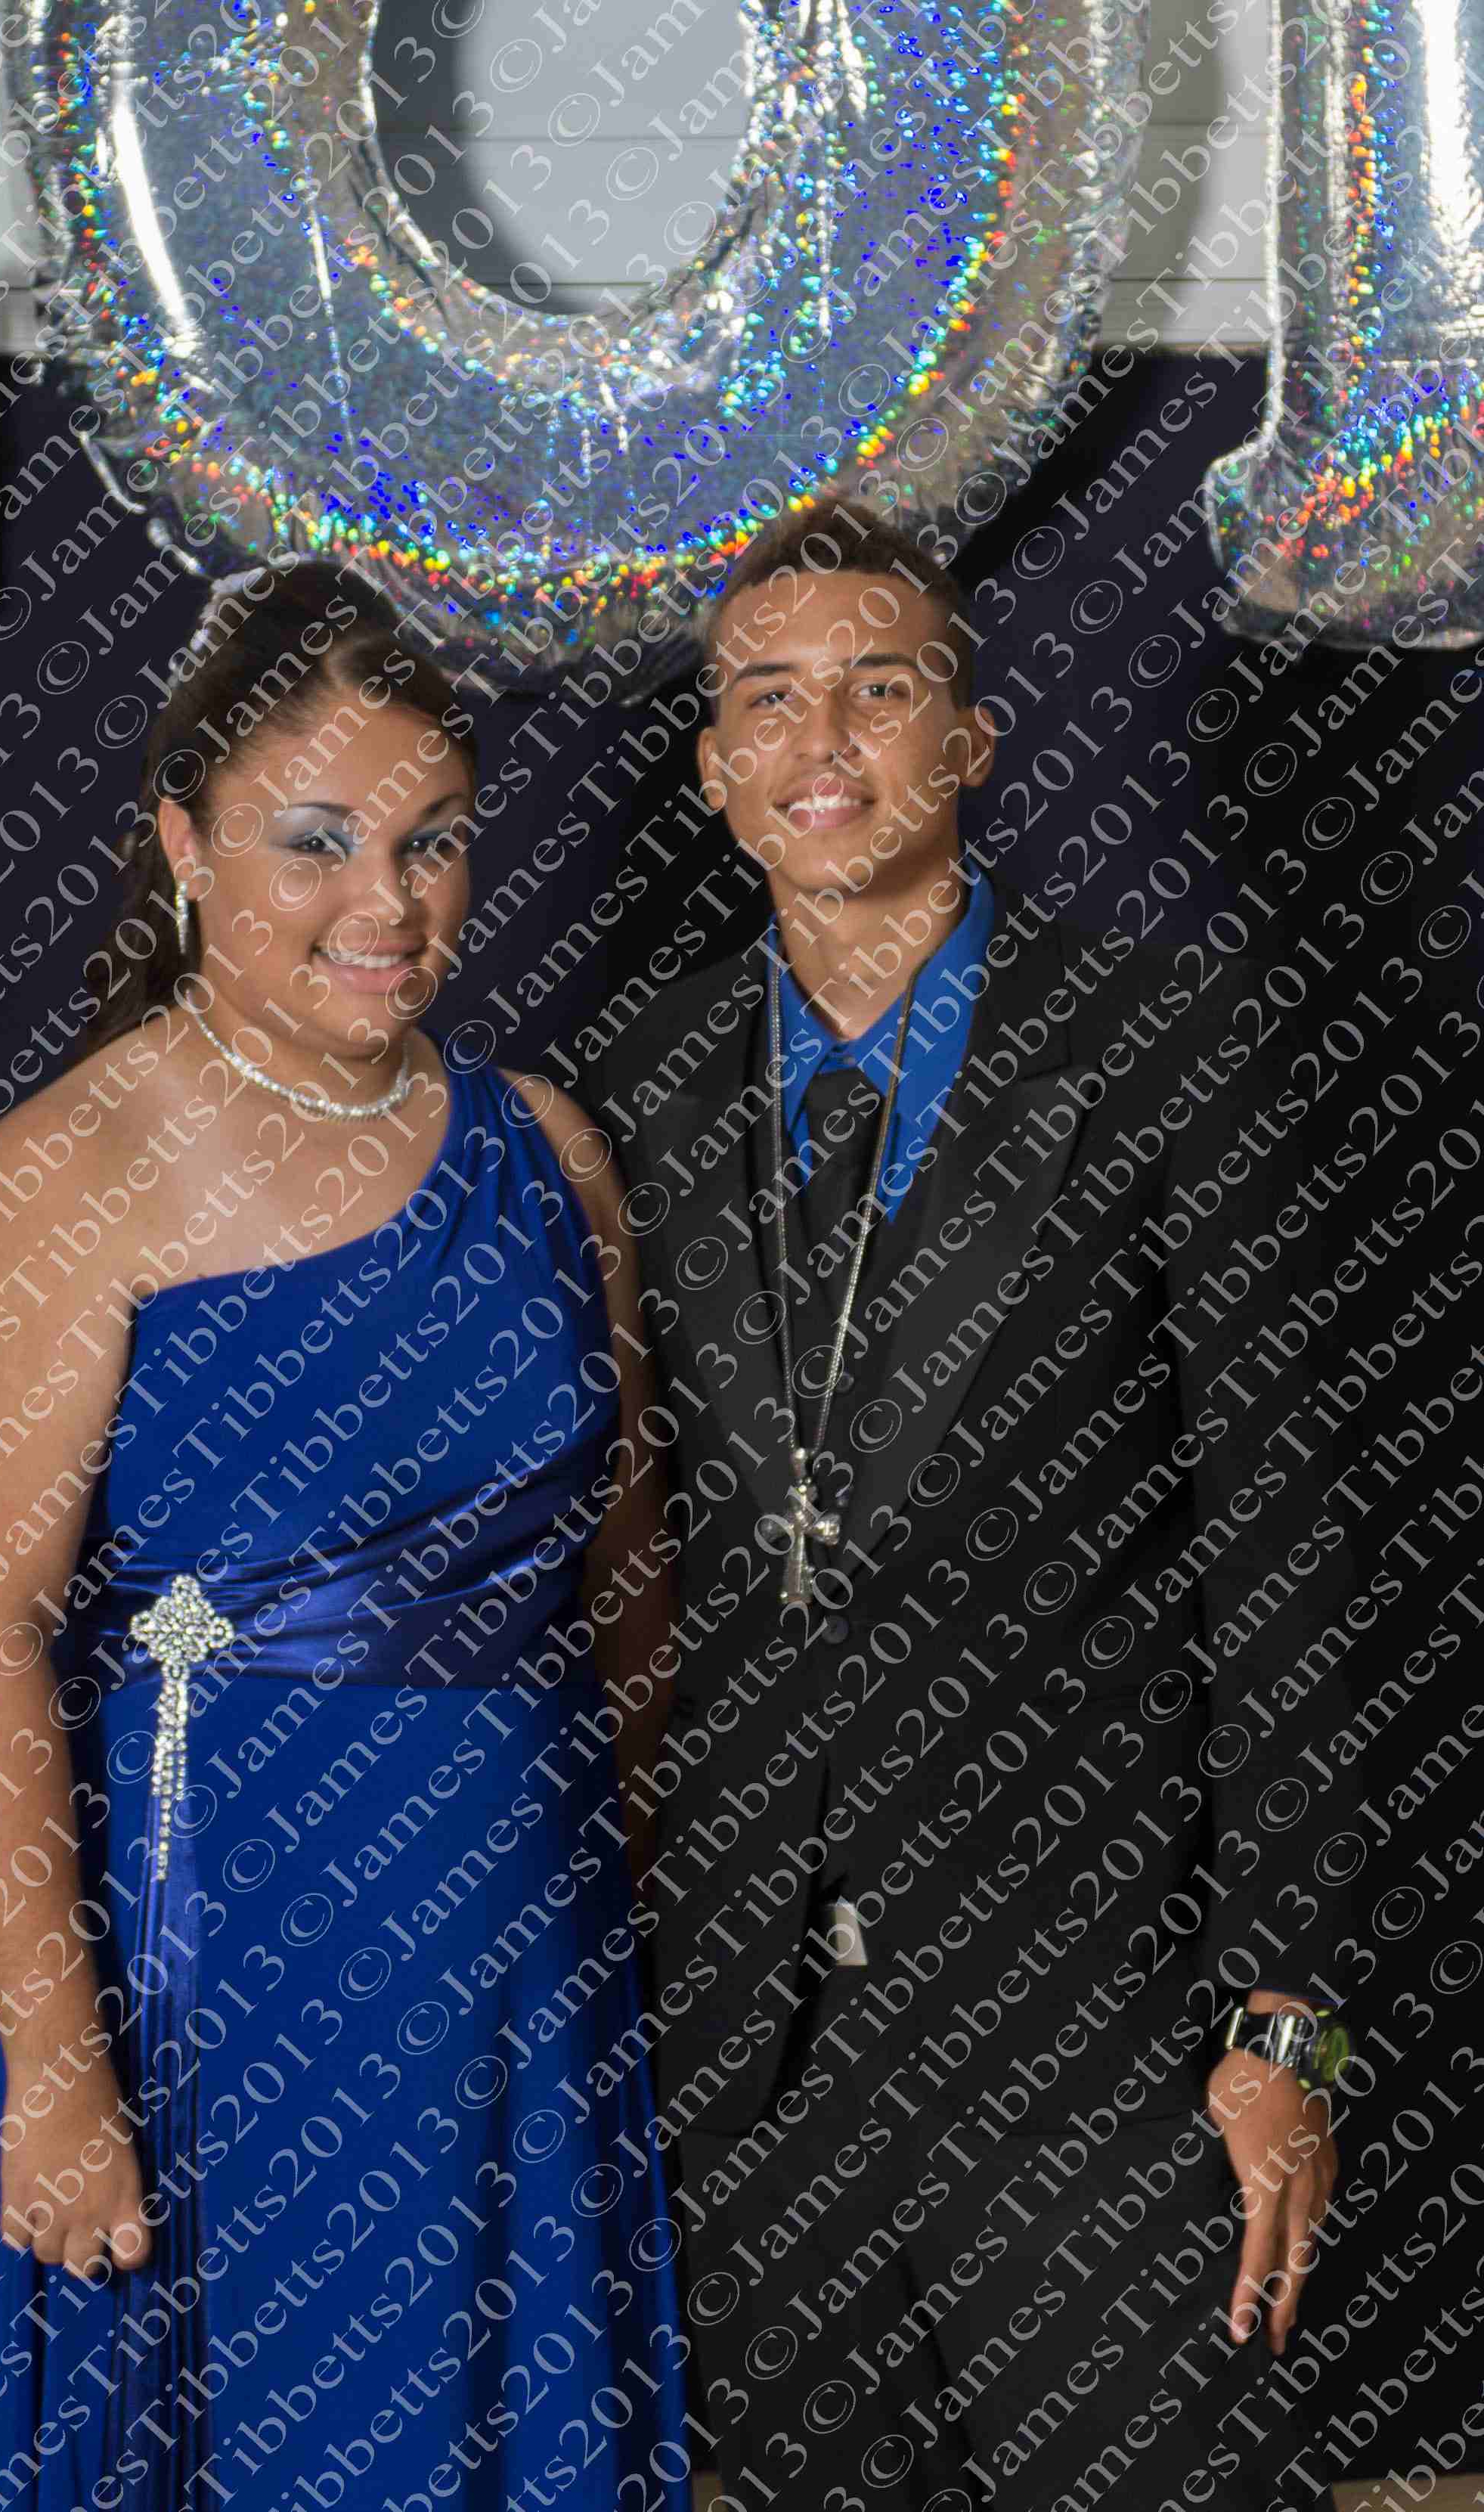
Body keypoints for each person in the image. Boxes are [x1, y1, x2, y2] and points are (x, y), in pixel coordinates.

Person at [581, 498, 1365, 2512]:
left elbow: (1293, 1557)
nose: (822, 738)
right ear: (716, 770)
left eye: (880, 687)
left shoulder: (1169, 1042)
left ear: (971, 741)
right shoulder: (624, 1087)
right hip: (746, 2048)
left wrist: (1291, 2026)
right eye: (769, 699)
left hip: (1105, 2031)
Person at [0, 560, 696, 2512]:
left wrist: (596, 1889)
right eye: (317, 841)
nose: (388, 903)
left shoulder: (547, 1147)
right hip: (224, 1958)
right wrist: (59, 2074)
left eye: (433, 841)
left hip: (516, 1962)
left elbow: (629, 1571)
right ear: (186, 847)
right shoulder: (70, 1171)